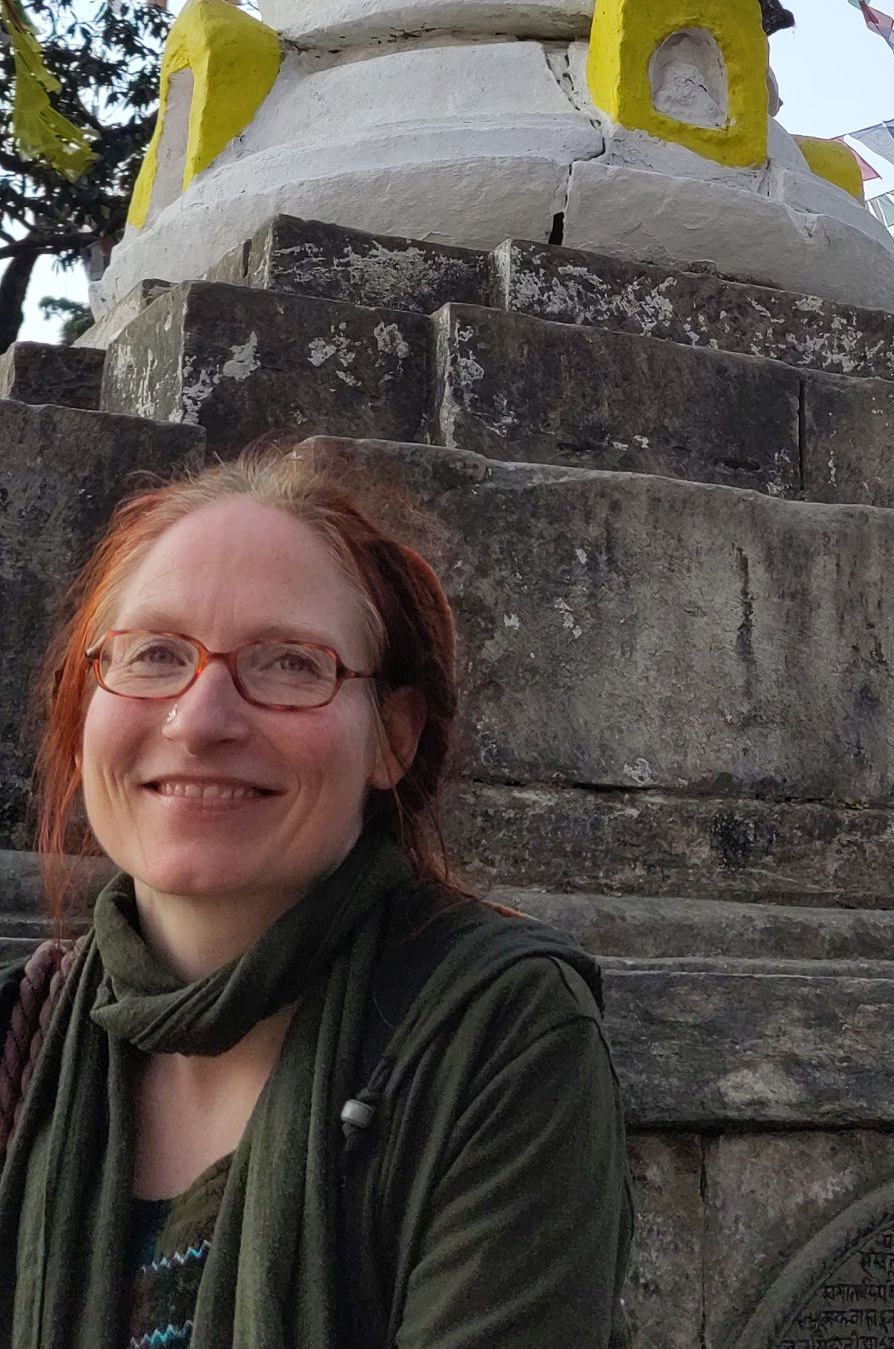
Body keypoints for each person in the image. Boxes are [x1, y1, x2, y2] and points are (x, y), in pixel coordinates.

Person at [0, 443, 633, 1349]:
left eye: (291, 664)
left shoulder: (496, 1040)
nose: (200, 718)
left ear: (393, 738)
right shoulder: (19, 1042)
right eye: (153, 653)